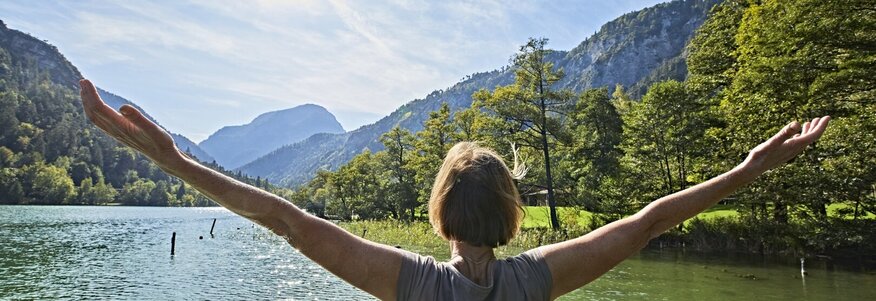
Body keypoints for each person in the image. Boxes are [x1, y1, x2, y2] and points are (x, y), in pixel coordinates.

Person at [78, 79, 831, 300]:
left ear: (438, 212)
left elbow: (289, 220)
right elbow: (646, 221)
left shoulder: (408, 282)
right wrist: (749, 169)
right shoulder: (538, 279)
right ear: (512, 213)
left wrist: (177, 163)